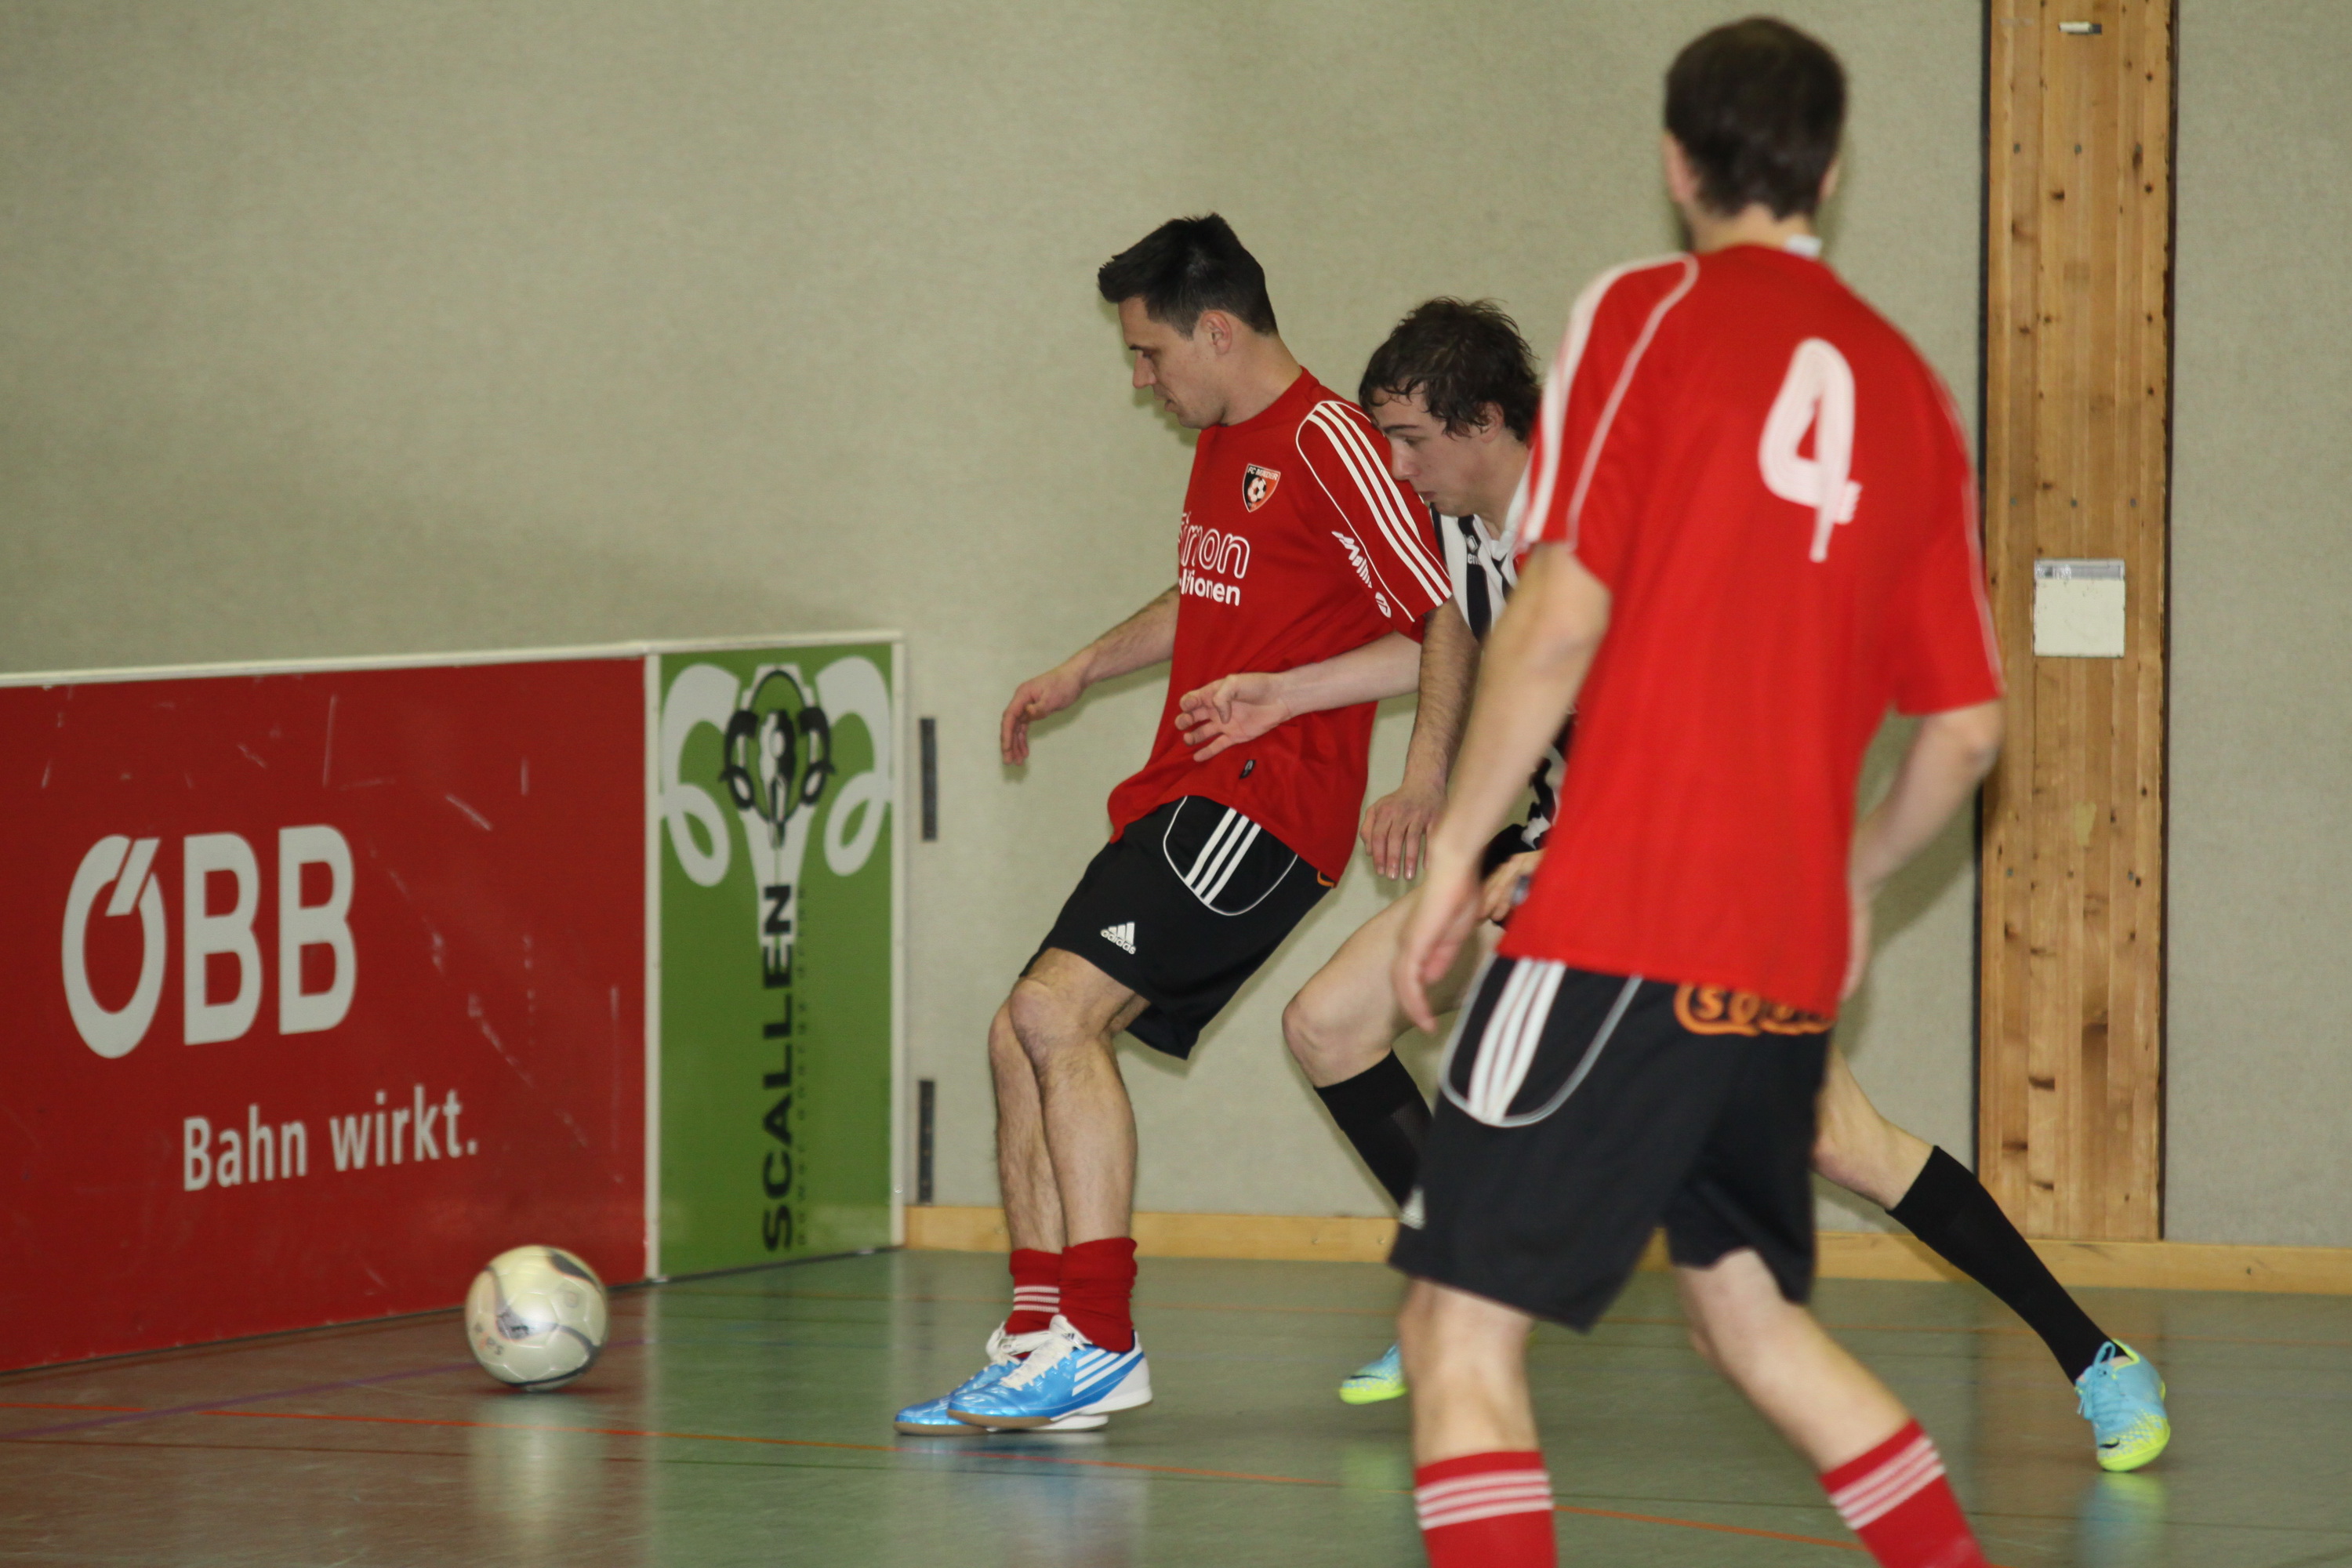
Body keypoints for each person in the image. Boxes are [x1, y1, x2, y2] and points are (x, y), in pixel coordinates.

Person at [1176, 299, 2170, 1471]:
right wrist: (1326, 715)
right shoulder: (1463, 524)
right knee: (1331, 1025)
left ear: (1485, 422)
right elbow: (1455, 632)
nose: (1397, 466)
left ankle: (2098, 1358)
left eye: (1412, 441)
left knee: (1842, 1143)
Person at [1382, 20, 2013, 1566]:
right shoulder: (1912, 393)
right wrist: (1852, 884)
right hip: (1780, 952)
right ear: (1830, 169)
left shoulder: (1643, 313)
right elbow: (1965, 731)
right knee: (1751, 1321)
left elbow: (1557, 614)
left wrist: (1454, 850)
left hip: (1621, 919)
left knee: (1456, 1336)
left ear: (1676, 163)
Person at [887, 214, 1464, 1436]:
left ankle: (1100, 1341)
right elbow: (1211, 590)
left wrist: (1416, 780)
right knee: (1017, 1035)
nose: (1141, 379)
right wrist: (1085, 666)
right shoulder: (1222, 444)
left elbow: (1443, 618)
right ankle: (1041, 1334)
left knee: (1056, 1016)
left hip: (1264, 806)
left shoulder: (1329, 440)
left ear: (1218, 331)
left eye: (1149, 353)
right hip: (1184, 794)